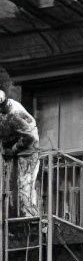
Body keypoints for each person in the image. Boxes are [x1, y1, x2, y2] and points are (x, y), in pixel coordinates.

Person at [0, 72, 39, 218]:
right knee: (8, 183)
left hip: (27, 149)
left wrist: (14, 149)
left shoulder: (14, 113)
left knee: (25, 185)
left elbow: (29, 136)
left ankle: (30, 217)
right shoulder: (3, 113)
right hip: (10, 146)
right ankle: (9, 214)